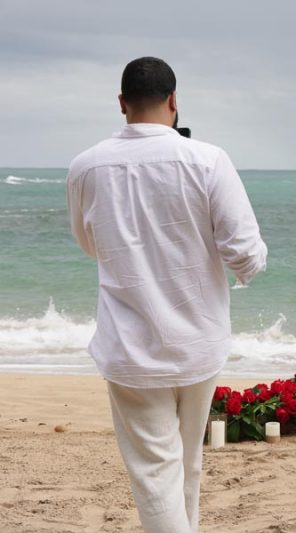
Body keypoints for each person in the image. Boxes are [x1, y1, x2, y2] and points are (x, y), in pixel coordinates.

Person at [67, 56, 267, 532]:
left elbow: (88, 243)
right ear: (175, 101)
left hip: (131, 343)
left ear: (121, 104)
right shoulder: (208, 159)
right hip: (198, 339)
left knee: (158, 469)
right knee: (184, 462)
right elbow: (246, 254)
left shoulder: (86, 166)